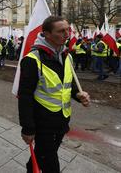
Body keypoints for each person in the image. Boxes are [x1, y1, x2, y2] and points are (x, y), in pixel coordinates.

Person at [18, 16, 90, 173]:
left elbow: (67, 85)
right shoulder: (32, 60)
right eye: (61, 31)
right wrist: (27, 128)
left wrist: (78, 95)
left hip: (62, 120)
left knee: (41, 156)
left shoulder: (67, 56)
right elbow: (24, 96)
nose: (67, 34)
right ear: (47, 34)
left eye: (67, 30)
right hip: (43, 124)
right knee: (51, 163)